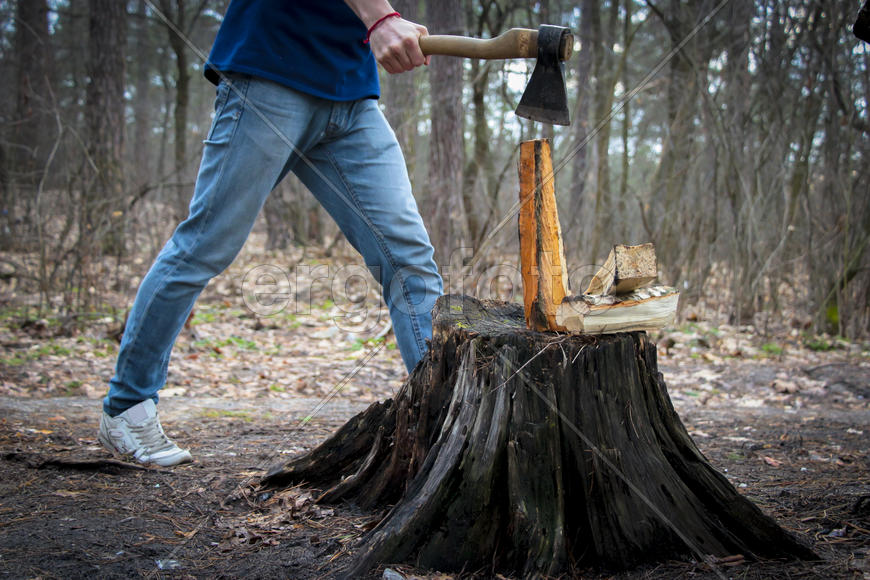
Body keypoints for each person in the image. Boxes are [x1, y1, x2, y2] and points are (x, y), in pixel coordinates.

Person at [98, 0, 443, 467]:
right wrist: (381, 17)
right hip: (272, 72)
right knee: (205, 245)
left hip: (352, 92)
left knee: (408, 258)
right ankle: (127, 408)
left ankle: (442, 420)